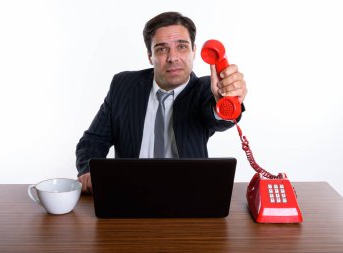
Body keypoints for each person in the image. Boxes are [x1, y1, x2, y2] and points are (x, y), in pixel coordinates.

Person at [76, 11, 247, 193]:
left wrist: (225, 103)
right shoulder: (123, 86)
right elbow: (94, 139)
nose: (173, 57)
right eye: (162, 49)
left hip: (188, 194)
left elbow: (216, 119)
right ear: (150, 56)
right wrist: (89, 170)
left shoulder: (206, 90)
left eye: (181, 47)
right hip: (129, 193)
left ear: (194, 51)